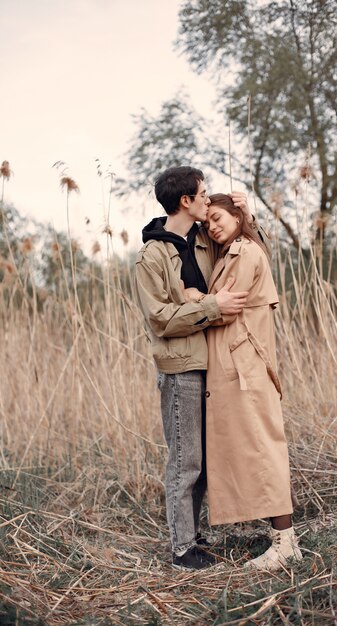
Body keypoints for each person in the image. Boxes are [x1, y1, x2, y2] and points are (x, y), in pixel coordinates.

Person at [135, 167, 266, 571]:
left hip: (214, 362)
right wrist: (208, 306)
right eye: (204, 194)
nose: (210, 200)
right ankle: (181, 551)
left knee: (206, 460)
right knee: (185, 460)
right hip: (181, 368)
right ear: (185, 202)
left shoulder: (206, 240)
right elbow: (159, 319)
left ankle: (192, 535)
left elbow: (253, 254)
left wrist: (249, 216)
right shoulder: (151, 256)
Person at [185, 193, 302, 570]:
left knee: (261, 448)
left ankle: (285, 542)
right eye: (207, 223)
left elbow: (223, 307)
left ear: (237, 215)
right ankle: (281, 539)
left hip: (245, 366)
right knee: (252, 447)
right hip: (237, 365)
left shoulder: (244, 253)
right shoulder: (236, 250)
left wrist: (192, 297)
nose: (212, 226)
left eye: (218, 217)